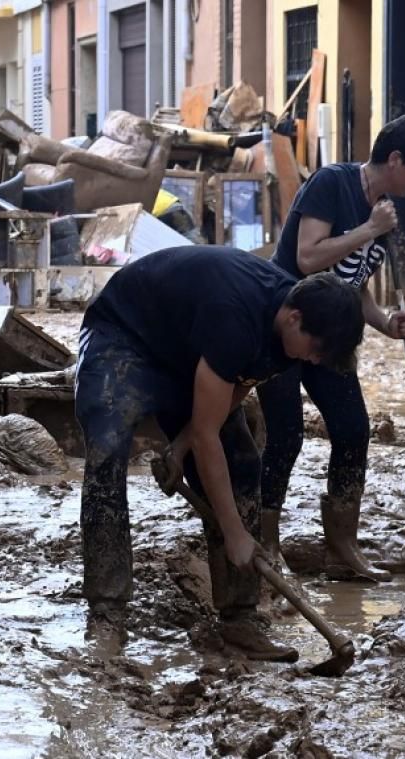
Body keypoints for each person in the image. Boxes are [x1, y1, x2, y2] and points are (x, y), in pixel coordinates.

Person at [75, 245, 364, 660]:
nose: (316, 359)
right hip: (124, 333)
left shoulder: (290, 332)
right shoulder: (238, 317)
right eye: (316, 349)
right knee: (107, 447)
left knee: (243, 463)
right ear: (294, 317)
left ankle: (240, 618)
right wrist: (234, 533)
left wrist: (181, 445)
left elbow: (241, 383)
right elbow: (208, 432)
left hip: (192, 351)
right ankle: (107, 612)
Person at [256, 113, 405, 582]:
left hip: (335, 334)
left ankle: (343, 545)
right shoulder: (332, 183)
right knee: (286, 434)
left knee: (353, 428)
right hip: (289, 325)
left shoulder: (386, 209)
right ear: (395, 159)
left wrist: (384, 321)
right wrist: (369, 229)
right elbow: (308, 256)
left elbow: (353, 280)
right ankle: (266, 543)